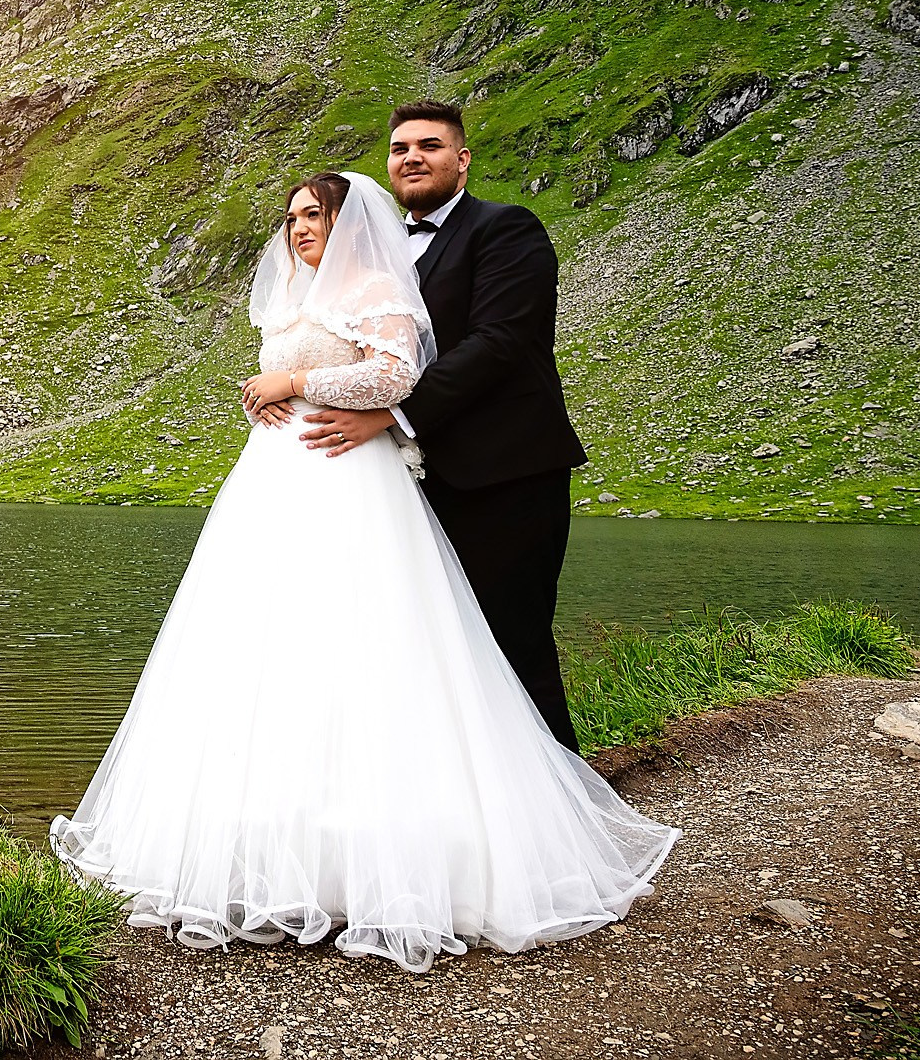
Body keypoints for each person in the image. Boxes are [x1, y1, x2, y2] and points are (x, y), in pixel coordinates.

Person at [48, 168, 673, 973]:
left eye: (315, 214)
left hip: (349, 484)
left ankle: (383, 862)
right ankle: (262, 852)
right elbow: (277, 375)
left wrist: (297, 381)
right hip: (272, 490)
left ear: (349, 222)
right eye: (292, 216)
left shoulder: (378, 284)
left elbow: (395, 374)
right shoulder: (291, 296)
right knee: (262, 653)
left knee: (362, 648)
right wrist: (260, 394)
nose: (300, 227)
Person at [296, 102, 589, 749]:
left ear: (462, 160)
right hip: (415, 488)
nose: (412, 157)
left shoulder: (507, 230)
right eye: (400, 149)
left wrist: (390, 414)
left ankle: (566, 811)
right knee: (436, 657)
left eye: (429, 145)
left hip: (506, 475)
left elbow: (499, 343)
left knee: (513, 644)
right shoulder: (380, 257)